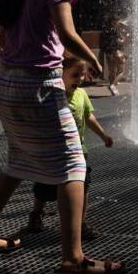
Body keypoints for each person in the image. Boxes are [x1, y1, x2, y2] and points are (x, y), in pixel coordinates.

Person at [0, 0, 124, 274]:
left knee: (17, 163)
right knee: (73, 166)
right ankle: (73, 259)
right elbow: (67, 33)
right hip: (39, 86)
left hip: (8, 85)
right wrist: (93, 58)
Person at [27, 55, 114, 240]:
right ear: (60, 74)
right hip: (53, 151)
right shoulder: (52, 94)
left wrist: (103, 135)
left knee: (83, 186)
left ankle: (80, 224)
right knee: (44, 186)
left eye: (83, 75)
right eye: (75, 75)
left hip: (78, 151)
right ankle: (36, 213)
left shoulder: (81, 95)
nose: (80, 79)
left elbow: (89, 117)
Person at [101, 18, 126, 96]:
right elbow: (120, 41)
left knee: (112, 72)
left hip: (108, 53)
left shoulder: (105, 31)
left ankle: (113, 91)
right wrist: (123, 37)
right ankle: (113, 85)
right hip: (117, 52)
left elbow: (103, 43)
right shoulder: (116, 30)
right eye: (117, 21)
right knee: (121, 71)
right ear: (114, 22)